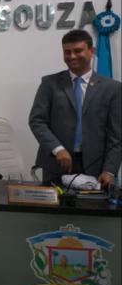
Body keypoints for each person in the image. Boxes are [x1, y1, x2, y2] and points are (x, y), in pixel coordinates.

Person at [29, 29, 121, 187]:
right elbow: (37, 121)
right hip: (56, 165)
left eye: (78, 51)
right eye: (67, 52)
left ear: (91, 51)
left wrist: (110, 170)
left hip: (96, 167)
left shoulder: (112, 88)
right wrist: (57, 149)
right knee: (54, 204)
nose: (72, 56)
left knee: (91, 204)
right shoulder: (49, 84)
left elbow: (116, 135)